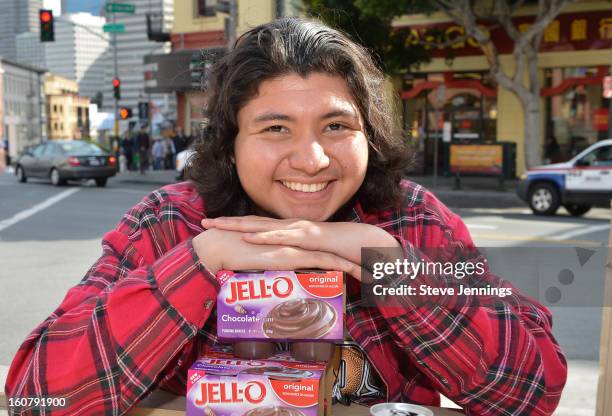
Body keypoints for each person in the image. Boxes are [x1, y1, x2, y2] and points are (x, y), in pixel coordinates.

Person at [5, 18, 567, 415]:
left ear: (368, 136)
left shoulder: (411, 219)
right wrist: (196, 267)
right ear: (230, 144)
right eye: (276, 129)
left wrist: (397, 270)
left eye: (337, 126)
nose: (312, 159)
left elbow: (532, 390)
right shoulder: (169, 222)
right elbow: (33, 397)